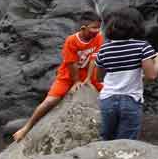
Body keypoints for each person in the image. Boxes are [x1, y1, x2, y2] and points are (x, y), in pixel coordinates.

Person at [12, 10, 104, 143]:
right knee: (51, 100)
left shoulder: (98, 38)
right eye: (94, 28)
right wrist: (76, 81)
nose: (97, 31)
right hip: (67, 74)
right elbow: (71, 64)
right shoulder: (71, 41)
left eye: (99, 28)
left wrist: (89, 79)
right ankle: (26, 128)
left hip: (87, 73)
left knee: (106, 91)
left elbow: (93, 60)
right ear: (83, 28)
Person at [91, 7, 158, 141]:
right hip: (130, 100)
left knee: (107, 139)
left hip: (107, 100)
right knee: (127, 141)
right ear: (137, 26)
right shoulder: (142, 47)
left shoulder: (104, 49)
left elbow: (98, 77)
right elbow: (151, 75)